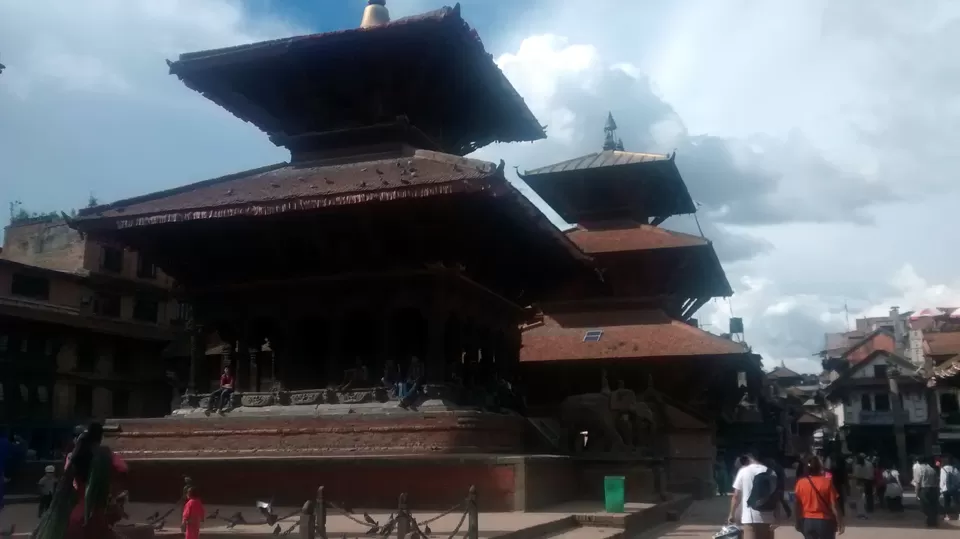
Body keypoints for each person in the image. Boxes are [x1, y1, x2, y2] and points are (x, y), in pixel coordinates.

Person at [727, 451, 779, 539]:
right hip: (768, 515)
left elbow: (736, 496)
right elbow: (776, 495)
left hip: (750, 517)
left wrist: (731, 514)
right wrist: (777, 517)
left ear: (750, 458)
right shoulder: (772, 472)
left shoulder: (743, 471)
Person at [793, 456, 844, 539]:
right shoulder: (827, 483)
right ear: (820, 467)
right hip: (824, 521)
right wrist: (840, 522)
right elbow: (834, 506)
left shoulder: (800, 483)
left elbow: (797, 505)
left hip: (807, 521)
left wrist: (797, 521)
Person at [916, 456, 940, 528]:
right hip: (933, 489)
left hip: (924, 490)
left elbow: (918, 483)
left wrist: (917, 493)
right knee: (933, 506)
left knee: (925, 506)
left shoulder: (920, 469)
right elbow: (937, 482)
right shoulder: (933, 469)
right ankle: (933, 522)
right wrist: (938, 492)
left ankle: (928, 522)